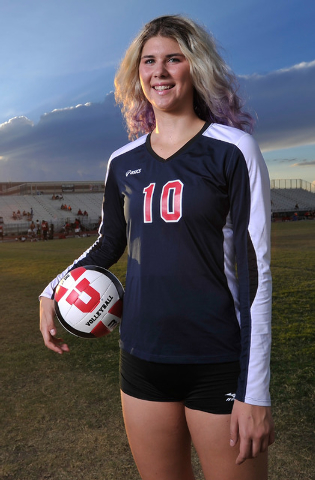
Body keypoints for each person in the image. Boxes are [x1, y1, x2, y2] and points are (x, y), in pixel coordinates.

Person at [39, 15, 274, 480]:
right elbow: (109, 242)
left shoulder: (233, 150)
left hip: (218, 358)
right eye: (149, 61)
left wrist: (256, 391)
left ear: (197, 68)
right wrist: (53, 288)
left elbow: (256, 273)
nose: (159, 71)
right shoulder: (123, 161)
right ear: (137, 73)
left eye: (173, 58)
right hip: (143, 359)